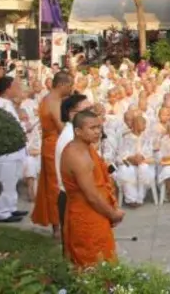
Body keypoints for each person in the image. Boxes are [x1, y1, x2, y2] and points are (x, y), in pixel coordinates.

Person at [61, 109, 124, 268]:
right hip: (87, 215)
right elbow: (92, 196)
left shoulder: (86, 148)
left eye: (99, 127)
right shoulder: (78, 156)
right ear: (78, 131)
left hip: (96, 213)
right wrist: (113, 214)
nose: (97, 132)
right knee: (92, 264)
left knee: (104, 261)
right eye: (92, 128)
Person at [32, 71, 74, 237]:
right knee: (55, 186)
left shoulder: (46, 98)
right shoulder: (54, 101)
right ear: (62, 85)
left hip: (49, 144)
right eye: (70, 85)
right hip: (54, 147)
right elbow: (61, 127)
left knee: (51, 185)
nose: (71, 89)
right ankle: (58, 226)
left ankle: (58, 225)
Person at [55, 93, 92, 247]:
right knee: (78, 248)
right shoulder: (71, 138)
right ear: (72, 114)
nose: (92, 114)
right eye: (87, 110)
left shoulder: (76, 133)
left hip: (77, 196)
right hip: (75, 198)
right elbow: (83, 180)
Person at [0, 76, 28, 223]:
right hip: (6, 153)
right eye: (16, 86)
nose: (19, 89)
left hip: (15, 152)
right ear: (8, 89)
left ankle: (10, 207)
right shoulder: (0, 106)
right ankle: (0, 212)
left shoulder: (8, 104)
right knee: (4, 183)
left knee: (12, 182)